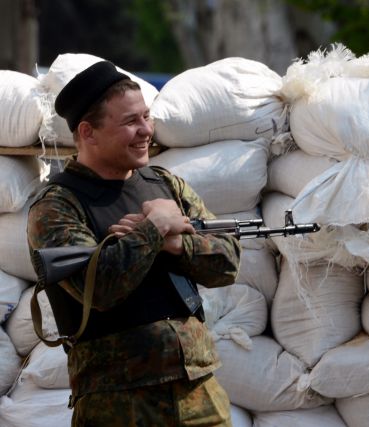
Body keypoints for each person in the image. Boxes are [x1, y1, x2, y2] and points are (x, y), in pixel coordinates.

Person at [27, 60, 241, 426]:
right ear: (88, 132)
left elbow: (227, 262)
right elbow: (100, 289)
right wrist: (155, 227)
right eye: (130, 122)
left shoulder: (164, 185)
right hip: (117, 402)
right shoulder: (57, 206)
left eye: (146, 117)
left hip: (198, 391)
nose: (146, 131)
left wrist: (175, 246)